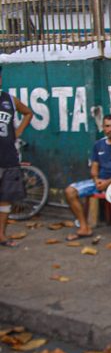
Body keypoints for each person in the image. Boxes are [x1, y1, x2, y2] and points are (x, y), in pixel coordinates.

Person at [65, 114, 111, 242]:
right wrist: (96, 179)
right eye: (107, 126)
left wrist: (108, 182)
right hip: (100, 181)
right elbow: (94, 167)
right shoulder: (98, 144)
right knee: (70, 191)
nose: (110, 129)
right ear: (103, 128)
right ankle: (84, 227)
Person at [0, 65, 33, 247]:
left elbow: (28, 113)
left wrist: (18, 131)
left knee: (5, 200)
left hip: (8, 158)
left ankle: (2, 235)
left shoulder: (10, 100)